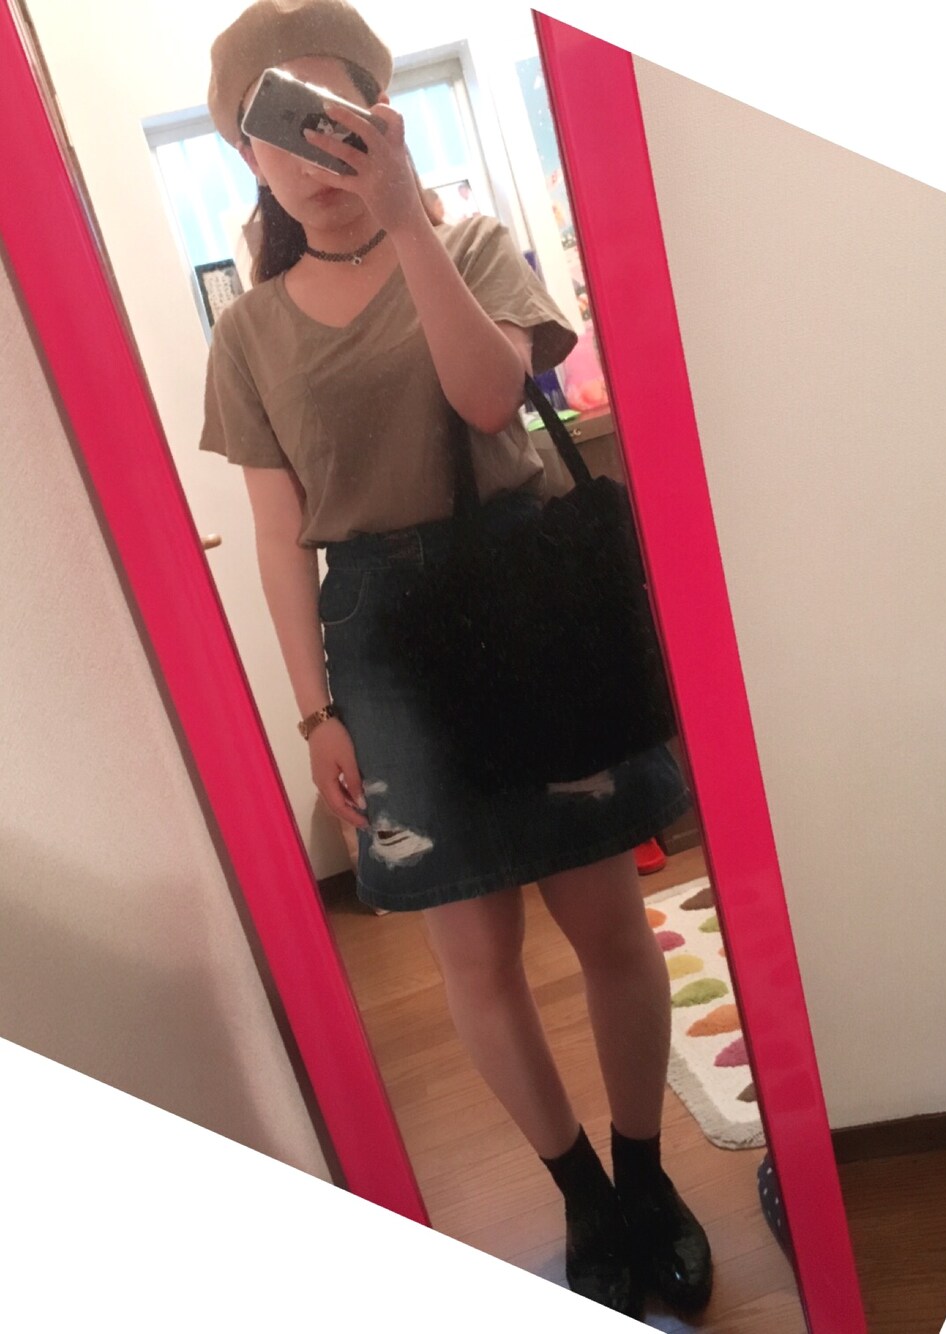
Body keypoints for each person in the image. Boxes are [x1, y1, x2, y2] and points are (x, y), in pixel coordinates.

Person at [201, 0, 712, 1319]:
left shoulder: (472, 243)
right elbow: (276, 535)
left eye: (334, 117)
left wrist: (411, 223)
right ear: (246, 158)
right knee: (472, 957)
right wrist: (313, 711)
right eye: (277, 130)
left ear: (380, 119)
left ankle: (646, 1171)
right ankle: (582, 1192)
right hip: (380, 641)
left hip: (523, 598)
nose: (312, 155)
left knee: (605, 921)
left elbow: (491, 399)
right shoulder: (248, 335)